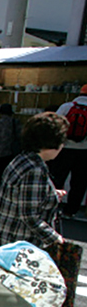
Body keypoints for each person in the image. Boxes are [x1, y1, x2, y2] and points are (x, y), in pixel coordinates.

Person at [0, 111, 68, 250]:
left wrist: (51, 194)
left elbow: (19, 197)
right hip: (18, 247)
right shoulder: (35, 169)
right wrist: (56, 239)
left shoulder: (22, 159)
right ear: (52, 143)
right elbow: (30, 217)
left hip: (2, 239)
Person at [50, 84, 87, 217]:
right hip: (84, 151)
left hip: (64, 148)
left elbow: (55, 125)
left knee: (57, 178)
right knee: (79, 182)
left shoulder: (67, 106)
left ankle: (51, 205)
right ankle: (70, 211)